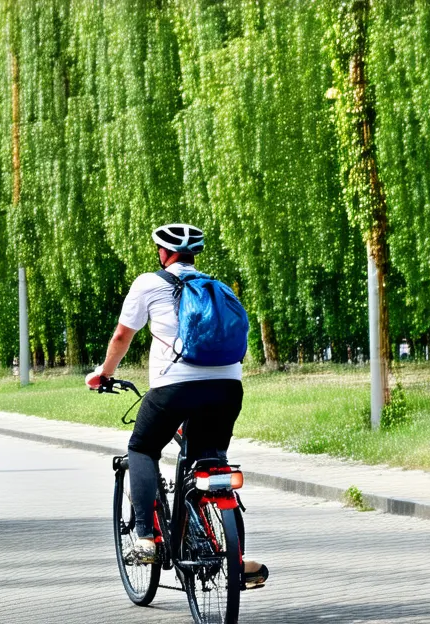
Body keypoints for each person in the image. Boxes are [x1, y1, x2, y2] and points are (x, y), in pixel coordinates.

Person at [85, 223, 268, 589]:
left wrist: (103, 373)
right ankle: (236, 557)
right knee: (211, 463)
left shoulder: (148, 283)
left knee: (142, 447)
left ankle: (144, 538)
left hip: (174, 389)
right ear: (193, 255)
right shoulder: (218, 287)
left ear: (163, 253)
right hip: (228, 388)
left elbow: (123, 335)